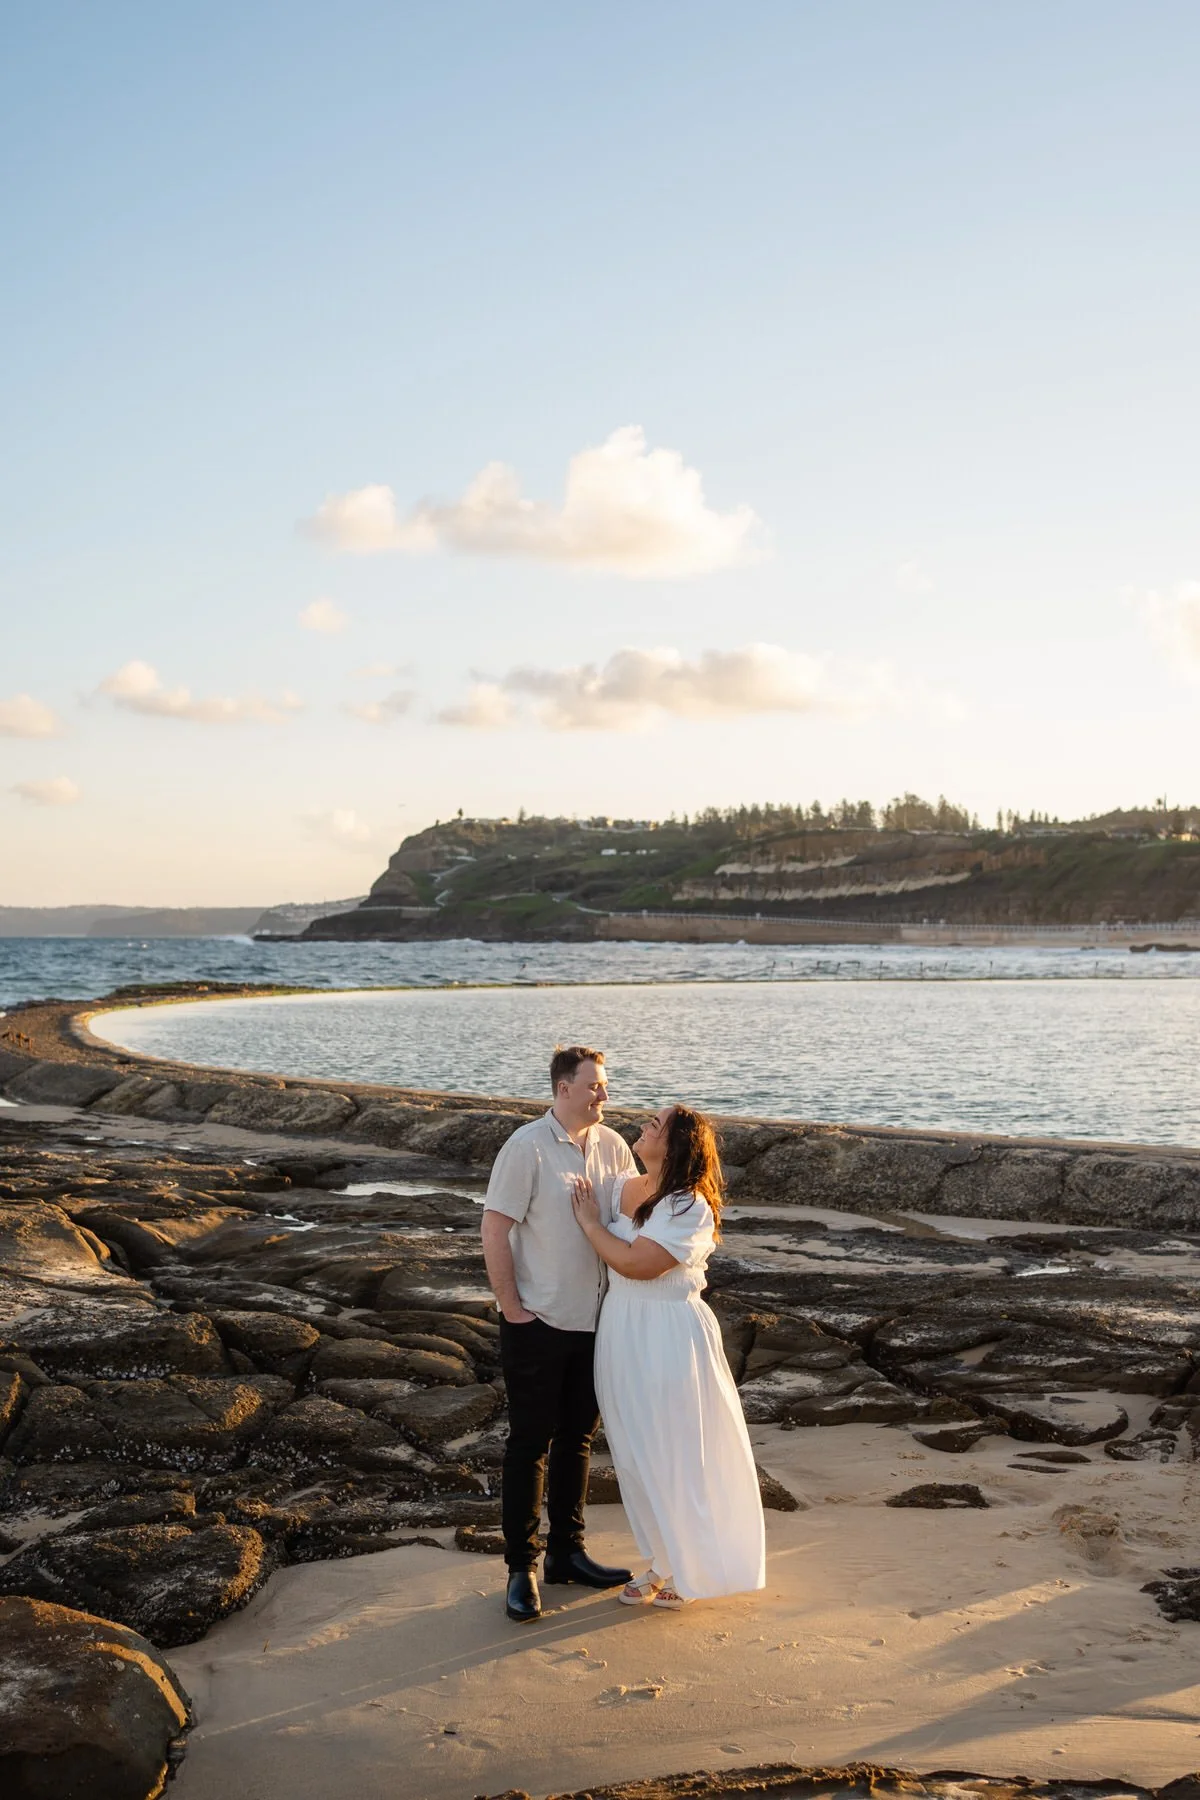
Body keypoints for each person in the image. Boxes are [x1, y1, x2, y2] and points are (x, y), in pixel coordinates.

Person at [571, 1104, 766, 1610]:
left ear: (677, 1145)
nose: (643, 1126)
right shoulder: (623, 1188)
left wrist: (592, 1226)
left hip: (668, 1333)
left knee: (675, 1449)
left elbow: (640, 1264)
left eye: (654, 1125)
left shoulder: (689, 1205)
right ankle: (662, 1559)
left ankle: (690, 1564)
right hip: (621, 1328)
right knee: (635, 1452)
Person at [481, 1044, 636, 1622]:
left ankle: (568, 1554)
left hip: (599, 1323)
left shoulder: (615, 1146)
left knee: (577, 1440)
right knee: (529, 1444)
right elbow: (494, 1229)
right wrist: (512, 1308)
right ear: (562, 1088)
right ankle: (521, 1567)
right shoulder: (525, 1148)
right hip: (538, 1322)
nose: (603, 1094)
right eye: (594, 1084)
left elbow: (630, 1217)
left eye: (605, 1084)